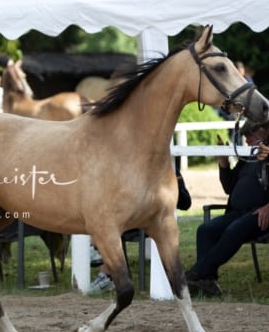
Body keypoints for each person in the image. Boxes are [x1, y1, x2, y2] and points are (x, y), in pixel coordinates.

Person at [185, 121, 269, 298]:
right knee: (205, 230)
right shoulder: (248, 156)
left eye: (250, 136)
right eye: (245, 137)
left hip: (260, 214)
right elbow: (229, 187)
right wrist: (224, 164)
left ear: (264, 133)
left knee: (234, 230)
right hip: (238, 212)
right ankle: (206, 281)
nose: (246, 141)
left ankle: (196, 273)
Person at [89, 163, 192, 293]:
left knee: (106, 224)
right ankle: (103, 267)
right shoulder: (127, 166)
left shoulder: (169, 167)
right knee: (102, 219)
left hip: (150, 222)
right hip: (128, 219)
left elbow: (186, 203)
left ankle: (104, 270)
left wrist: (174, 187)